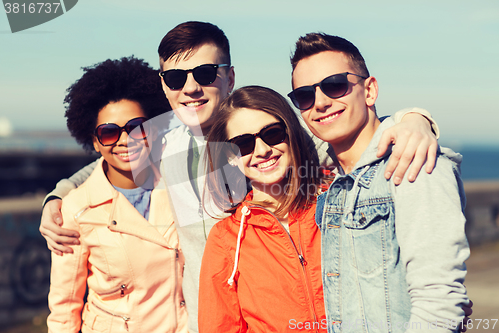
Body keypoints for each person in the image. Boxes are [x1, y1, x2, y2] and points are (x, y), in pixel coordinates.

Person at [40, 22, 441, 332]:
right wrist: (57, 196)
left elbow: (346, 138)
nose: (191, 88)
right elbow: (110, 159)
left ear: (229, 77)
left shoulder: (272, 137)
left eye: (206, 73)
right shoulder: (164, 146)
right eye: (176, 79)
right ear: (164, 87)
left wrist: (413, 120)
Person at [289, 33, 469, 332]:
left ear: (369, 90)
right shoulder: (330, 174)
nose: (319, 103)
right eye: (305, 96)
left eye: (335, 85)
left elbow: (440, 302)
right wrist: (415, 117)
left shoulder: (412, 161)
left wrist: (416, 122)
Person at [46, 57, 188, 333]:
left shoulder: (183, 186)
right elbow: (64, 310)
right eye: (109, 132)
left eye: (136, 127)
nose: (125, 140)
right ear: (96, 141)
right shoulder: (76, 209)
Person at [199, 85, 327, 332]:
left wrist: (413, 118)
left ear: (290, 133)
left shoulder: (334, 206)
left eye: (272, 133)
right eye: (243, 144)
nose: (262, 150)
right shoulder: (226, 239)